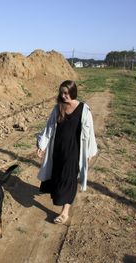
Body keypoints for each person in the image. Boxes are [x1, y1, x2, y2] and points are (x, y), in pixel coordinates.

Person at [36, 80, 97, 224]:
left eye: (66, 92)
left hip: (74, 152)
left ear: (73, 92)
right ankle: (62, 202)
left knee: (69, 180)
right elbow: (49, 127)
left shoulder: (84, 109)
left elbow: (90, 133)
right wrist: (42, 146)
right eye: (61, 93)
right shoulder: (58, 108)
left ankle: (65, 212)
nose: (64, 96)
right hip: (57, 150)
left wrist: (88, 153)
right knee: (57, 178)